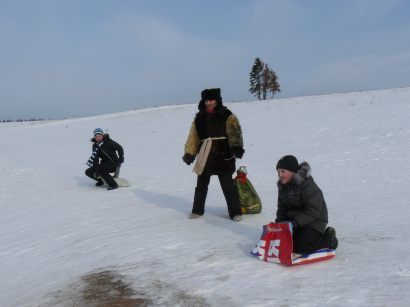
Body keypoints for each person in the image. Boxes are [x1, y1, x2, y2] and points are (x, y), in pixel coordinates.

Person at [182, 88, 244, 221]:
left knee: (227, 186)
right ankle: (197, 210)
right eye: (206, 100)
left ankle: (235, 212)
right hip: (205, 155)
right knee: (201, 186)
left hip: (223, 154)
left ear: (217, 100)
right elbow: (193, 137)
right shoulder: (199, 117)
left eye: (211, 100)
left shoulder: (227, 115)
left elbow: (234, 133)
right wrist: (189, 154)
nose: (208, 103)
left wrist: (236, 148)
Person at [275, 155, 338, 253]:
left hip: (314, 222)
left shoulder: (307, 185)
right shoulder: (283, 187)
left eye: (283, 171)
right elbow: (282, 211)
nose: (280, 175)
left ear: (293, 171)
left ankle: (329, 239)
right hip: (295, 223)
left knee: (300, 247)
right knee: (283, 243)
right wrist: (278, 228)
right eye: (278, 172)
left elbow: (313, 211)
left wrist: (292, 224)